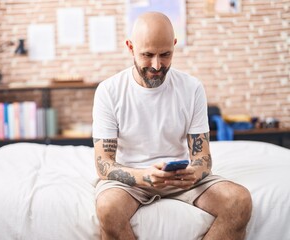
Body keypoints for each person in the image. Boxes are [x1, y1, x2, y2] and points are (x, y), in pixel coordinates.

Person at [92, 11, 252, 240]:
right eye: (147, 55)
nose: (157, 65)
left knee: (239, 201)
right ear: (130, 47)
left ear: (174, 45)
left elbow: (203, 158)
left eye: (165, 54)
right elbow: (103, 165)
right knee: (108, 208)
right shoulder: (108, 91)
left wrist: (195, 171)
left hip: (181, 179)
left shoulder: (192, 88)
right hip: (131, 181)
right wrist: (143, 176)